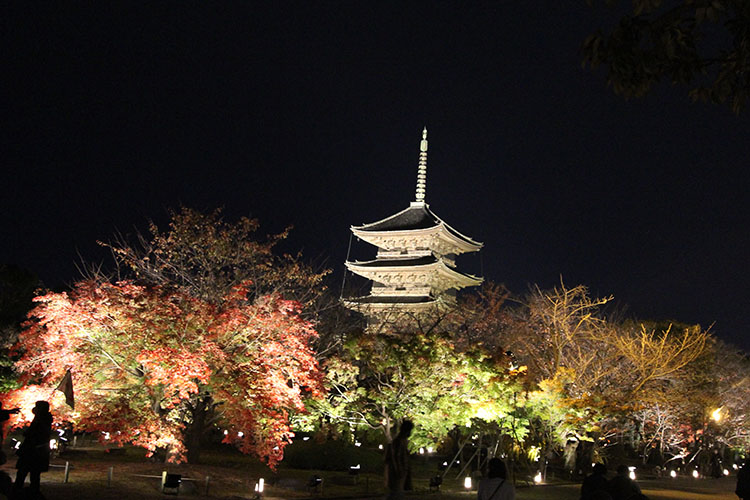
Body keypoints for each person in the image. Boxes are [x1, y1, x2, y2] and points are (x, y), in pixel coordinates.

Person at [13, 401, 53, 497]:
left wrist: (27, 433)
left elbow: (35, 434)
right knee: (34, 474)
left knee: (25, 472)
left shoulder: (42, 420)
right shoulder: (43, 418)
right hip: (36, 450)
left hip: (33, 451)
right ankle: (32, 491)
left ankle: (20, 491)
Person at [384, 420, 413, 499]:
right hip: (398, 474)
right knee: (396, 494)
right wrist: (399, 472)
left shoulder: (401, 442)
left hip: (400, 473)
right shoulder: (398, 442)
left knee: (397, 494)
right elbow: (395, 458)